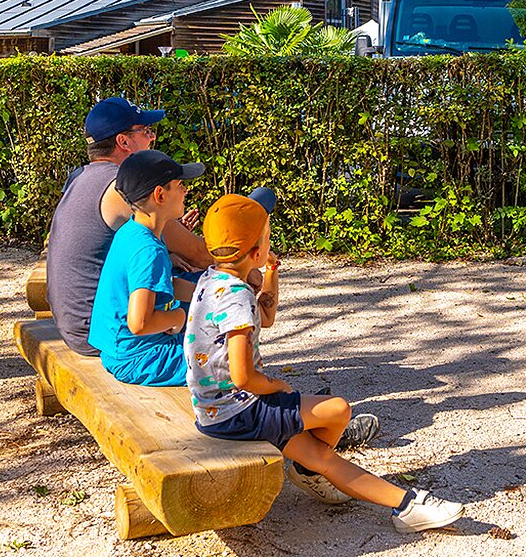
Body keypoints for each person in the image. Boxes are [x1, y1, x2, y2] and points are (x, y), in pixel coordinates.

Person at [186, 194, 465, 533]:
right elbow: (244, 377)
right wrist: (277, 386)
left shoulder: (213, 280)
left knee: (322, 456)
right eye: (268, 237)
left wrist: (270, 270)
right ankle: (316, 475)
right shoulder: (237, 296)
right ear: (256, 251)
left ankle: (405, 505)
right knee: (337, 409)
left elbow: (266, 318)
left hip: (214, 411)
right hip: (239, 410)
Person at [46, 97, 211, 357]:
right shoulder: (121, 187)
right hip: (105, 334)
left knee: (183, 276)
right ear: (123, 142)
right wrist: (248, 262)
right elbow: (200, 254)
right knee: (215, 288)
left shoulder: (79, 177)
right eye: (145, 131)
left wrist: (170, 251)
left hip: (75, 323)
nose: (152, 138)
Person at [88, 149, 206, 386]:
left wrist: (206, 296)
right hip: (139, 358)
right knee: (226, 362)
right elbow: (140, 323)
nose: (185, 190)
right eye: (180, 185)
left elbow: (162, 285)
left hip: (117, 349)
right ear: (160, 195)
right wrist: (178, 317)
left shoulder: (134, 230)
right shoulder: (149, 250)